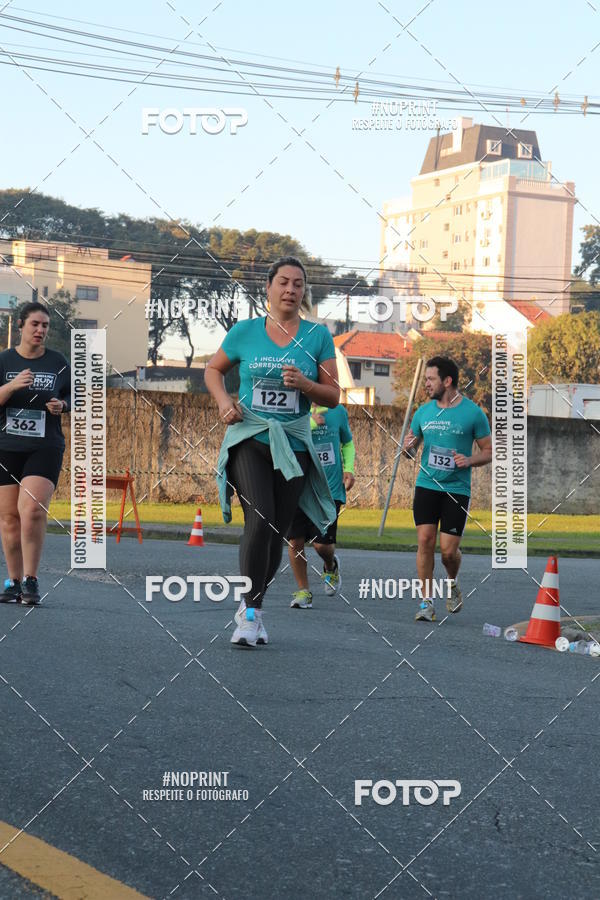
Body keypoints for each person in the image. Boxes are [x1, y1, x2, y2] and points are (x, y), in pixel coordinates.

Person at [206, 257, 339, 647]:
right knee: (259, 520)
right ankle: (248, 615)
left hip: (294, 442)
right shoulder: (245, 332)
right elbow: (213, 370)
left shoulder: (317, 336)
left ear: (304, 292)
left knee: (279, 532)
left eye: (298, 284)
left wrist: (306, 385)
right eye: (283, 282)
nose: (291, 290)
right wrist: (223, 401)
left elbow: (333, 396)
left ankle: (255, 608)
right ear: (268, 287)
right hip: (250, 435)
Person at [402, 356, 491, 622]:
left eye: (430, 379)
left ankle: (452, 582)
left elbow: (489, 451)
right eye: (426, 379)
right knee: (425, 541)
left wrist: (469, 460)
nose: (426, 384)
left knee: (448, 552)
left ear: (447, 381)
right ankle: (426, 603)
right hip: (427, 485)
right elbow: (411, 450)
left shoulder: (473, 413)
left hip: (457, 489)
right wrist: (407, 449)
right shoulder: (423, 412)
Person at [0, 302, 71, 606]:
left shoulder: (58, 361)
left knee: (31, 509)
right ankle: (13, 581)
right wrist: (12, 385)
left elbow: (74, 395)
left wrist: (62, 406)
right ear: (20, 326)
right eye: (35, 324)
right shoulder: (4, 361)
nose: (41, 330)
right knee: (8, 517)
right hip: (6, 445)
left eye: (45, 326)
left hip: (45, 445)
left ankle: (31, 579)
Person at [286, 402, 355, 608]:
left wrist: (349, 469)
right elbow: (285, 438)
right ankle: (303, 591)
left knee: (321, 545)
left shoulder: (338, 411)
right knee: (295, 541)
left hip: (329, 489)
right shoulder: (294, 406)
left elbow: (348, 442)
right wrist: (310, 424)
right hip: (298, 485)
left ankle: (330, 565)